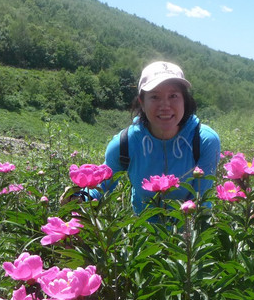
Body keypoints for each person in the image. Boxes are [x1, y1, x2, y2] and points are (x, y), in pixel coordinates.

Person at [89, 61, 220, 214]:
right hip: (143, 229)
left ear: (185, 100)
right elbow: (100, 187)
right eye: (155, 96)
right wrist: (78, 197)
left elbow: (200, 201)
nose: (165, 105)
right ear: (142, 103)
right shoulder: (125, 143)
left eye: (173, 96)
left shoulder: (205, 141)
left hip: (190, 228)